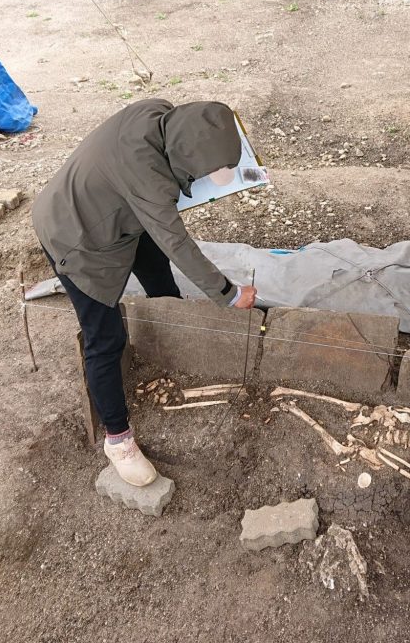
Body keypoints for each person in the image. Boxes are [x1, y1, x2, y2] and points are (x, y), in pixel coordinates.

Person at [32, 99, 257, 487]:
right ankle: (118, 440)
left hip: (107, 208)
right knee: (106, 337)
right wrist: (230, 294)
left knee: (158, 277)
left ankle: (170, 335)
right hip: (74, 236)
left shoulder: (159, 113)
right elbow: (179, 243)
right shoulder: (148, 179)